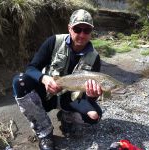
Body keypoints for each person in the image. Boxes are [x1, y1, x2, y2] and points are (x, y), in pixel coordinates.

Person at [12, 9, 103, 150]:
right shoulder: (53, 42)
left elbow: (87, 96)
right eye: (77, 29)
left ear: (91, 31)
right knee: (20, 81)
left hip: (71, 98)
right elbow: (31, 68)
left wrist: (92, 96)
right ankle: (44, 131)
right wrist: (45, 79)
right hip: (48, 94)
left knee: (94, 117)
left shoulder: (94, 57)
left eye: (87, 30)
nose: (81, 34)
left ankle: (66, 117)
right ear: (69, 28)